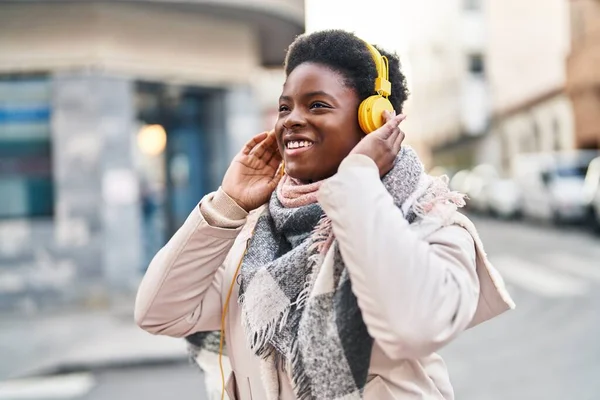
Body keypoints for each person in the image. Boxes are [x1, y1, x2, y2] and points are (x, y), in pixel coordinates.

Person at [135, 29, 515, 400]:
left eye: (317, 105)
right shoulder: (252, 238)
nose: (291, 120)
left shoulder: (430, 220)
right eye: (285, 107)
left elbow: (414, 326)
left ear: (374, 120)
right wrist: (227, 204)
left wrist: (357, 183)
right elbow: (158, 312)